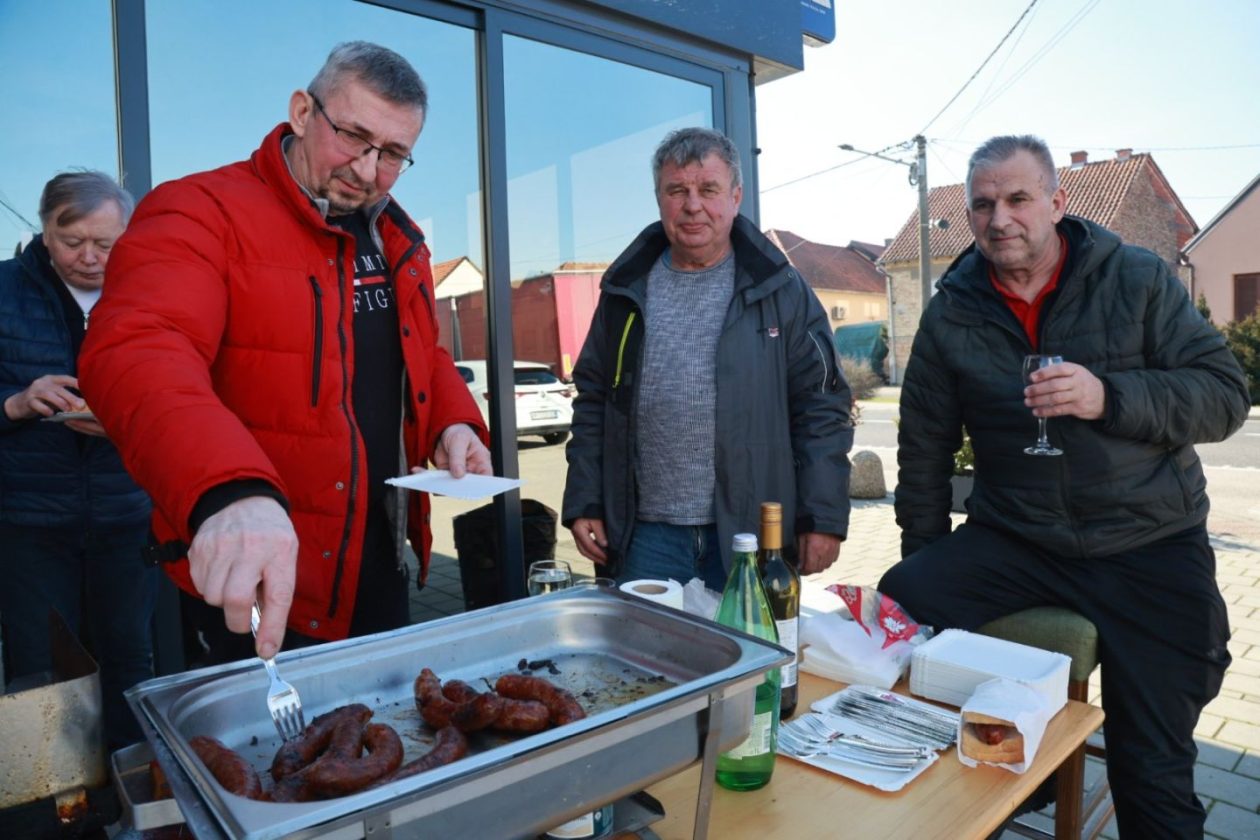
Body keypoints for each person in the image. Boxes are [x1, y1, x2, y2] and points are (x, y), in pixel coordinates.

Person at [880, 135, 1249, 839]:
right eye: (983, 204)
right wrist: (924, 560)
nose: (1000, 219)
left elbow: (1223, 397)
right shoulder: (952, 311)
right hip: (1017, 538)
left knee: (1153, 770)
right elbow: (923, 450)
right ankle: (1024, 774)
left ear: (1057, 202)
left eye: (1018, 199)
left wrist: (1107, 395)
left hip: (1148, 539)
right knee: (898, 613)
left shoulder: (1135, 278)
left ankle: (1091, 771)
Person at [80, 42, 491, 664]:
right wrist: (226, 490)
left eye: (394, 155)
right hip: (256, 558)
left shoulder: (397, 236)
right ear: (302, 111)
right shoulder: (199, 210)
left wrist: (453, 418)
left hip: (380, 553)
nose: (368, 168)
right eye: (353, 136)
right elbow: (139, 348)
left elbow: (420, 349)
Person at [562, 127, 853, 590]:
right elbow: (594, 400)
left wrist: (821, 516)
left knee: (753, 659)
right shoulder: (624, 292)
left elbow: (823, 405)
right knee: (648, 660)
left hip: (751, 532)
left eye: (708, 189)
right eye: (677, 190)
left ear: (735, 197)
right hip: (645, 536)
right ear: (659, 199)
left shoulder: (782, 289)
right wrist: (585, 500)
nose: (692, 205)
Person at [0, 171, 155, 750]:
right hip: (30, 523)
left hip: (124, 515)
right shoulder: (3, 290)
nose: (89, 259)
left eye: (106, 244)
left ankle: (132, 794)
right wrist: (15, 403)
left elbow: (188, 389)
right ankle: (56, 811)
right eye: (72, 242)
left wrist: (129, 416)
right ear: (44, 231)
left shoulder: (147, 295)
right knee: (41, 673)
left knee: (129, 661)